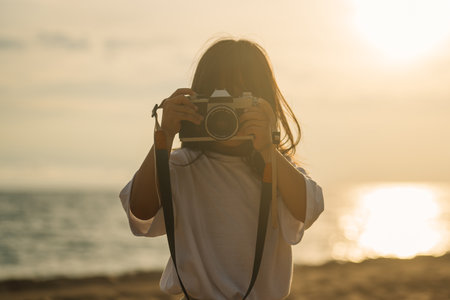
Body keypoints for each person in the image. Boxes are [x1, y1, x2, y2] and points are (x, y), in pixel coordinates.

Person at [119, 38, 324, 300]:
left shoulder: (274, 168)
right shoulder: (179, 164)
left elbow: (308, 208)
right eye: (215, 99)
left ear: (264, 105)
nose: (225, 112)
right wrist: (165, 135)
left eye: (238, 101)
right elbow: (140, 211)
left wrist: (268, 149)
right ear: (197, 100)